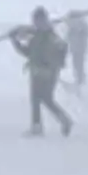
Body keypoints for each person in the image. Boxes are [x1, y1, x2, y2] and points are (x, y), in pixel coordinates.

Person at [9, 7, 74, 137]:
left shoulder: (51, 37)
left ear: (44, 20)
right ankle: (40, 125)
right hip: (36, 72)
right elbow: (28, 53)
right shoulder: (37, 37)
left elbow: (58, 52)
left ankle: (59, 121)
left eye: (38, 20)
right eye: (35, 21)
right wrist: (15, 41)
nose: (36, 23)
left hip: (47, 73)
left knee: (44, 98)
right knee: (37, 99)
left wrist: (49, 67)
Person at [64, 9, 88, 88]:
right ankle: (80, 81)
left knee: (78, 65)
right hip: (77, 49)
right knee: (78, 65)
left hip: (78, 49)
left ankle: (80, 82)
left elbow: (69, 37)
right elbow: (68, 38)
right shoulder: (81, 25)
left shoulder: (78, 25)